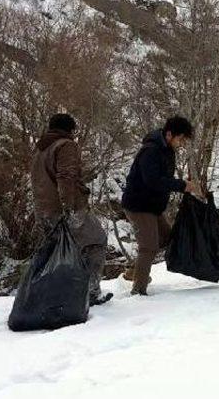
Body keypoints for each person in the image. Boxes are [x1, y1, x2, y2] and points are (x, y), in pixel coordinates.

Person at [30, 113, 112, 306]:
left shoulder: (40, 149)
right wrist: (70, 209)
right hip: (65, 209)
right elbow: (66, 178)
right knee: (96, 241)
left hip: (43, 212)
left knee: (59, 255)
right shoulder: (65, 145)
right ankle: (90, 293)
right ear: (70, 130)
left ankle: (60, 295)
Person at [121, 116, 201, 296]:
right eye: (180, 139)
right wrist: (182, 185)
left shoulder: (166, 150)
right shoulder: (150, 151)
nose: (181, 144)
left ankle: (133, 273)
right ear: (169, 134)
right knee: (148, 246)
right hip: (138, 205)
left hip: (153, 206)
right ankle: (138, 291)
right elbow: (153, 181)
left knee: (167, 238)